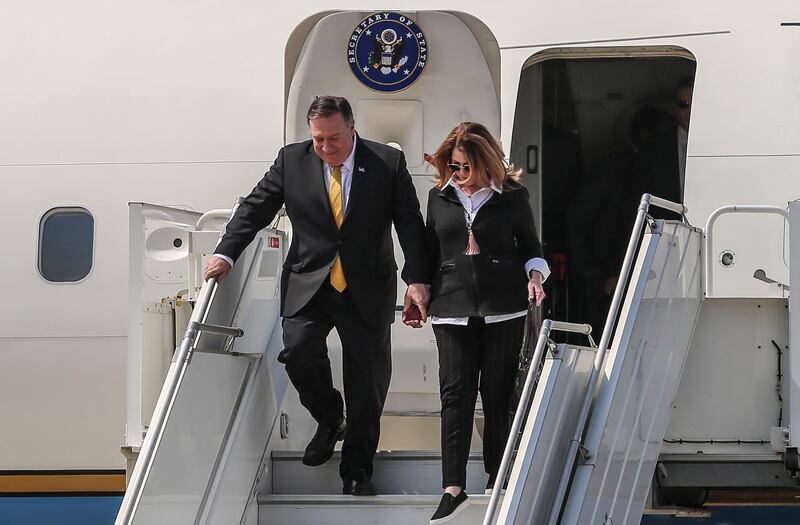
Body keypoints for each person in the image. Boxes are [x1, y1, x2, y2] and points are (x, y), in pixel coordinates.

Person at [204, 96, 430, 496]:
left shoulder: (386, 164)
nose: (326, 148)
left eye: (334, 139)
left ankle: (357, 470)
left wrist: (417, 279)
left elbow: (410, 225)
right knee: (298, 350)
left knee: (367, 382)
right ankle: (329, 418)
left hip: (367, 286)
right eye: (319, 139)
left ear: (352, 128)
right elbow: (255, 208)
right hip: (311, 282)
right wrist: (226, 252)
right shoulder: (293, 161)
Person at [407, 122, 549, 524]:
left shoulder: (513, 196)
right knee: (455, 394)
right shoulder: (439, 197)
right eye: (453, 166)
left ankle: (497, 477)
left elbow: (531, 247)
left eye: (466, 167)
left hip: (504, 304)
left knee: (497, 392)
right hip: (450, 306)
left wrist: (536, 277)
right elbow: (427, 250)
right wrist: (415, 289)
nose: (458, 175)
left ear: (487, 164)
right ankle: (452, 487)